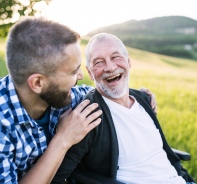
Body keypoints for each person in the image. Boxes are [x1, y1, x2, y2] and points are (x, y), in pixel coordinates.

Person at [0, 17, 156, 184]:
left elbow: (98, 90)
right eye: (73, 72)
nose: (81, 77)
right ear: (38, 83)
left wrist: (140, 96)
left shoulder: (61, 95)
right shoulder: (3, 126)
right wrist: (63, 139)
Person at [52, 33, 195, 183]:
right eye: (99, 62)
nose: (110, 67)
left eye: (116, 57)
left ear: (128, 62)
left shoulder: (143, 99)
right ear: (90, 73)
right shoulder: (88, 116)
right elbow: (59, 177)